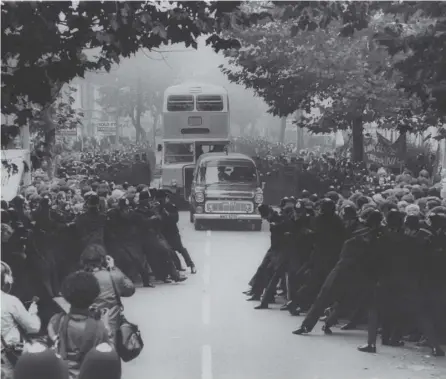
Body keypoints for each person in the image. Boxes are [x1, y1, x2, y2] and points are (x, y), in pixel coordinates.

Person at [48, 271, 109, 379]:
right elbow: (108, 351)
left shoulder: (56, 321)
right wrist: (106, 324)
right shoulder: (99, 326)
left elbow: (52, 340)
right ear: (95, 295)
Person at [80, 244, 135, 348]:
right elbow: (129, 290)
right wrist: (113, 268)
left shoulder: (79, 278)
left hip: (85, 323)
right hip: (111, 321)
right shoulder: (113, 275)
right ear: (104, 260)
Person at [1, 262, 41, 377]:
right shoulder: (10, 301)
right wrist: (33, 313)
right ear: (5, 279)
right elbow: (33, 328)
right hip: (7, 359)